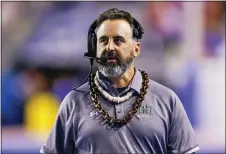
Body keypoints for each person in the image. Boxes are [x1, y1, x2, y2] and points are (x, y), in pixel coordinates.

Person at [40, 8, 199, 154]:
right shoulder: (74, 103)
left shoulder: (166, 100)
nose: (109, 47)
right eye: (103, 40)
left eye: (118, 40)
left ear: (136, 49)